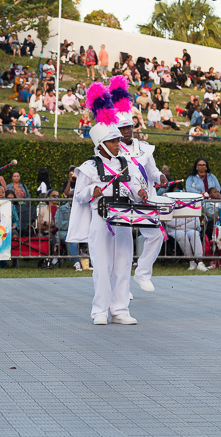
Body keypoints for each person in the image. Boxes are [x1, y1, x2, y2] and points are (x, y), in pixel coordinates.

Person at [67, 83, 145, 325]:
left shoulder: (126, 163)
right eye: (112, 141)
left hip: (123, 220)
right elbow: (78, 195)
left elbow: (133, 186)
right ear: (100, 144)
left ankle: (120, 309)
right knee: (101, 268)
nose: (118, 144)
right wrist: (93, 189)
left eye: (118, 140)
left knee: (122, 267)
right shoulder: (89, 166)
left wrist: (139, 191)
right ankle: (99, 310)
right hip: (101, 221)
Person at [108, 76, 168, 294]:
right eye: (122, 128)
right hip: (123, 201)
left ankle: (142, 273)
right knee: (123, 245)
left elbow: (152, 171)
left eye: (129, 127)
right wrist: (135, 189)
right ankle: (121, 287)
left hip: (146, 200)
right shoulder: (112, 151)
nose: (127, 131)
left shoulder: (145, 148)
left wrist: (160, 177)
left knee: (155, 236)